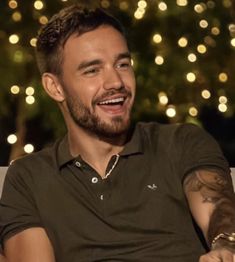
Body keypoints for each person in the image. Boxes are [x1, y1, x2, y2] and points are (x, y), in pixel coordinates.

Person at [0, 3, 235, 262]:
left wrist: (226, 246)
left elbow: (217, 211)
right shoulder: (29, 178)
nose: (116, 83)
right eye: (92, 70)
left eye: (122, 64)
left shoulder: (180, 142)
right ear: (55, 87)